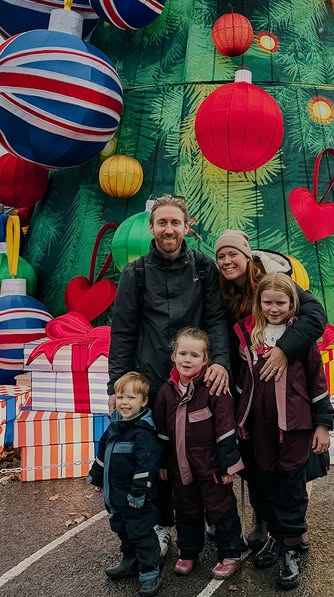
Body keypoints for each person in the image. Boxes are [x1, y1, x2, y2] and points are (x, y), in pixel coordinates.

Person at [108, 195, 231, 556]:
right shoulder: (136, 273)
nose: (169, 230)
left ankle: (210, 515)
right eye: (162, 223)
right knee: (156, 459)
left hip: (195, 380)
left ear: (187, 226)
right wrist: (117, 383)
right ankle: (160, 527)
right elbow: (123, 330)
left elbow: (216, 321)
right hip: (153, 379)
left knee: (203, 452)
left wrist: (220, 361)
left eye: (175, 223)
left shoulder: (205, 269)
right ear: (152, 227)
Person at [214, 229, 328, 548]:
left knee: (288, 464)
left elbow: (315, 315)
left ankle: (290, 530)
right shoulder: (221, 289)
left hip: (285, 381)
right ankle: (262, 521)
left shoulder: (273, 279)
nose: (226, 261)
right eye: (221, 255)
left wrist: (285, 349)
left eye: (232, 254)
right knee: (256, 462)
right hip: (247, 385)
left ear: (247, 255)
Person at [234, 273, 333, 590]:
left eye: (281, 302)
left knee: (290, 485)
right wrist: (240, 421)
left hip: (295, 426)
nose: (274, 308)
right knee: (263, 482)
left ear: (293, 304)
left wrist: (322, 424)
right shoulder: (249, 336)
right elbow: (241, 384)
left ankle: (290, 549)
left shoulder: (300, 338)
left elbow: (317, 383)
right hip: (258, 427)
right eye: (268, 302)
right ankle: (277, 538)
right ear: (258, 303)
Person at [154, 328, 244, 580]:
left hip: (211, 466)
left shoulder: (214, 389)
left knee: (221, 509)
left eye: (194, 355)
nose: (187, 359)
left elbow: (226, 429)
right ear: (173, 355)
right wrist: (162, 462)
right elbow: (162, 432)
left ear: (205, 360)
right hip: (179, 467)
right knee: (185, 509)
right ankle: (188, 552)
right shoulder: (165, 392)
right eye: (182, 353)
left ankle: (230, 554)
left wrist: (228, 467)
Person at [88, 372, 163, 597]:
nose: (124, 402)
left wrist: (138, 493)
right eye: (121, 397)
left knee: (141, 534)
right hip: (117, 496)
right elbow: (103, 453)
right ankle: (130, 561)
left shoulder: (143, 432)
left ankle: (150, 571)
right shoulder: (115, 425)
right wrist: (96, 474)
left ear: (144, 401)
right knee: (121, 528)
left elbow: (146, 466)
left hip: (137, 499)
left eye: (131, 398)